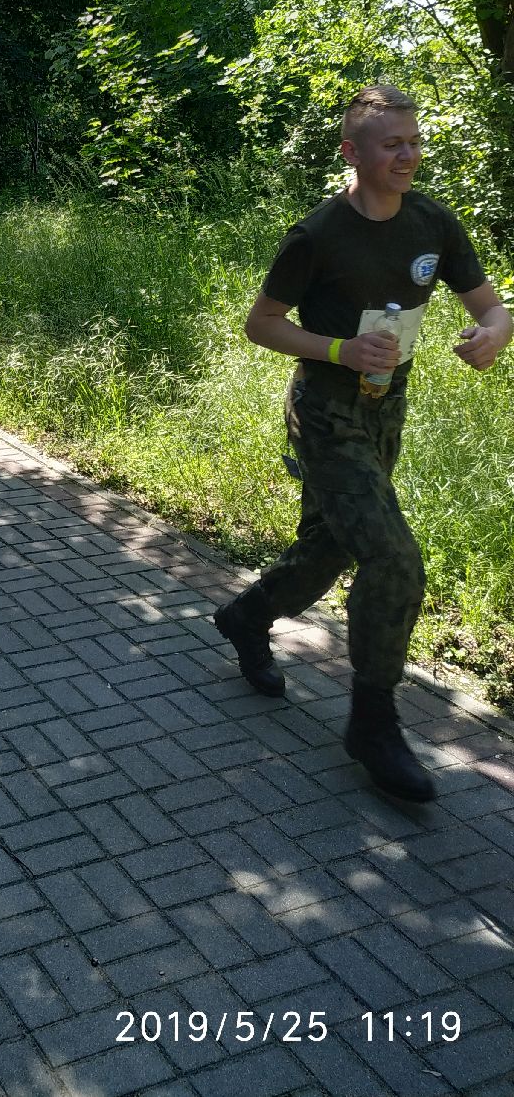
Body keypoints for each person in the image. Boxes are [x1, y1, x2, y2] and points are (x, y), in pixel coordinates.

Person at [216, 84, 511, 801]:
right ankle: (373, 724)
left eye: (415, 141)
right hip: (325, 410)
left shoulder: (433, 222)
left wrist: (494, 334)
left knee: (330, 548)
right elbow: (261, 323)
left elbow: (491, 306)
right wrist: (339, 350)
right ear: (352, 152)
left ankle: (245, 616)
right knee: (392, 556)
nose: (408, 155)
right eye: (392, 144)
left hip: (386, 409)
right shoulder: (318, 234)